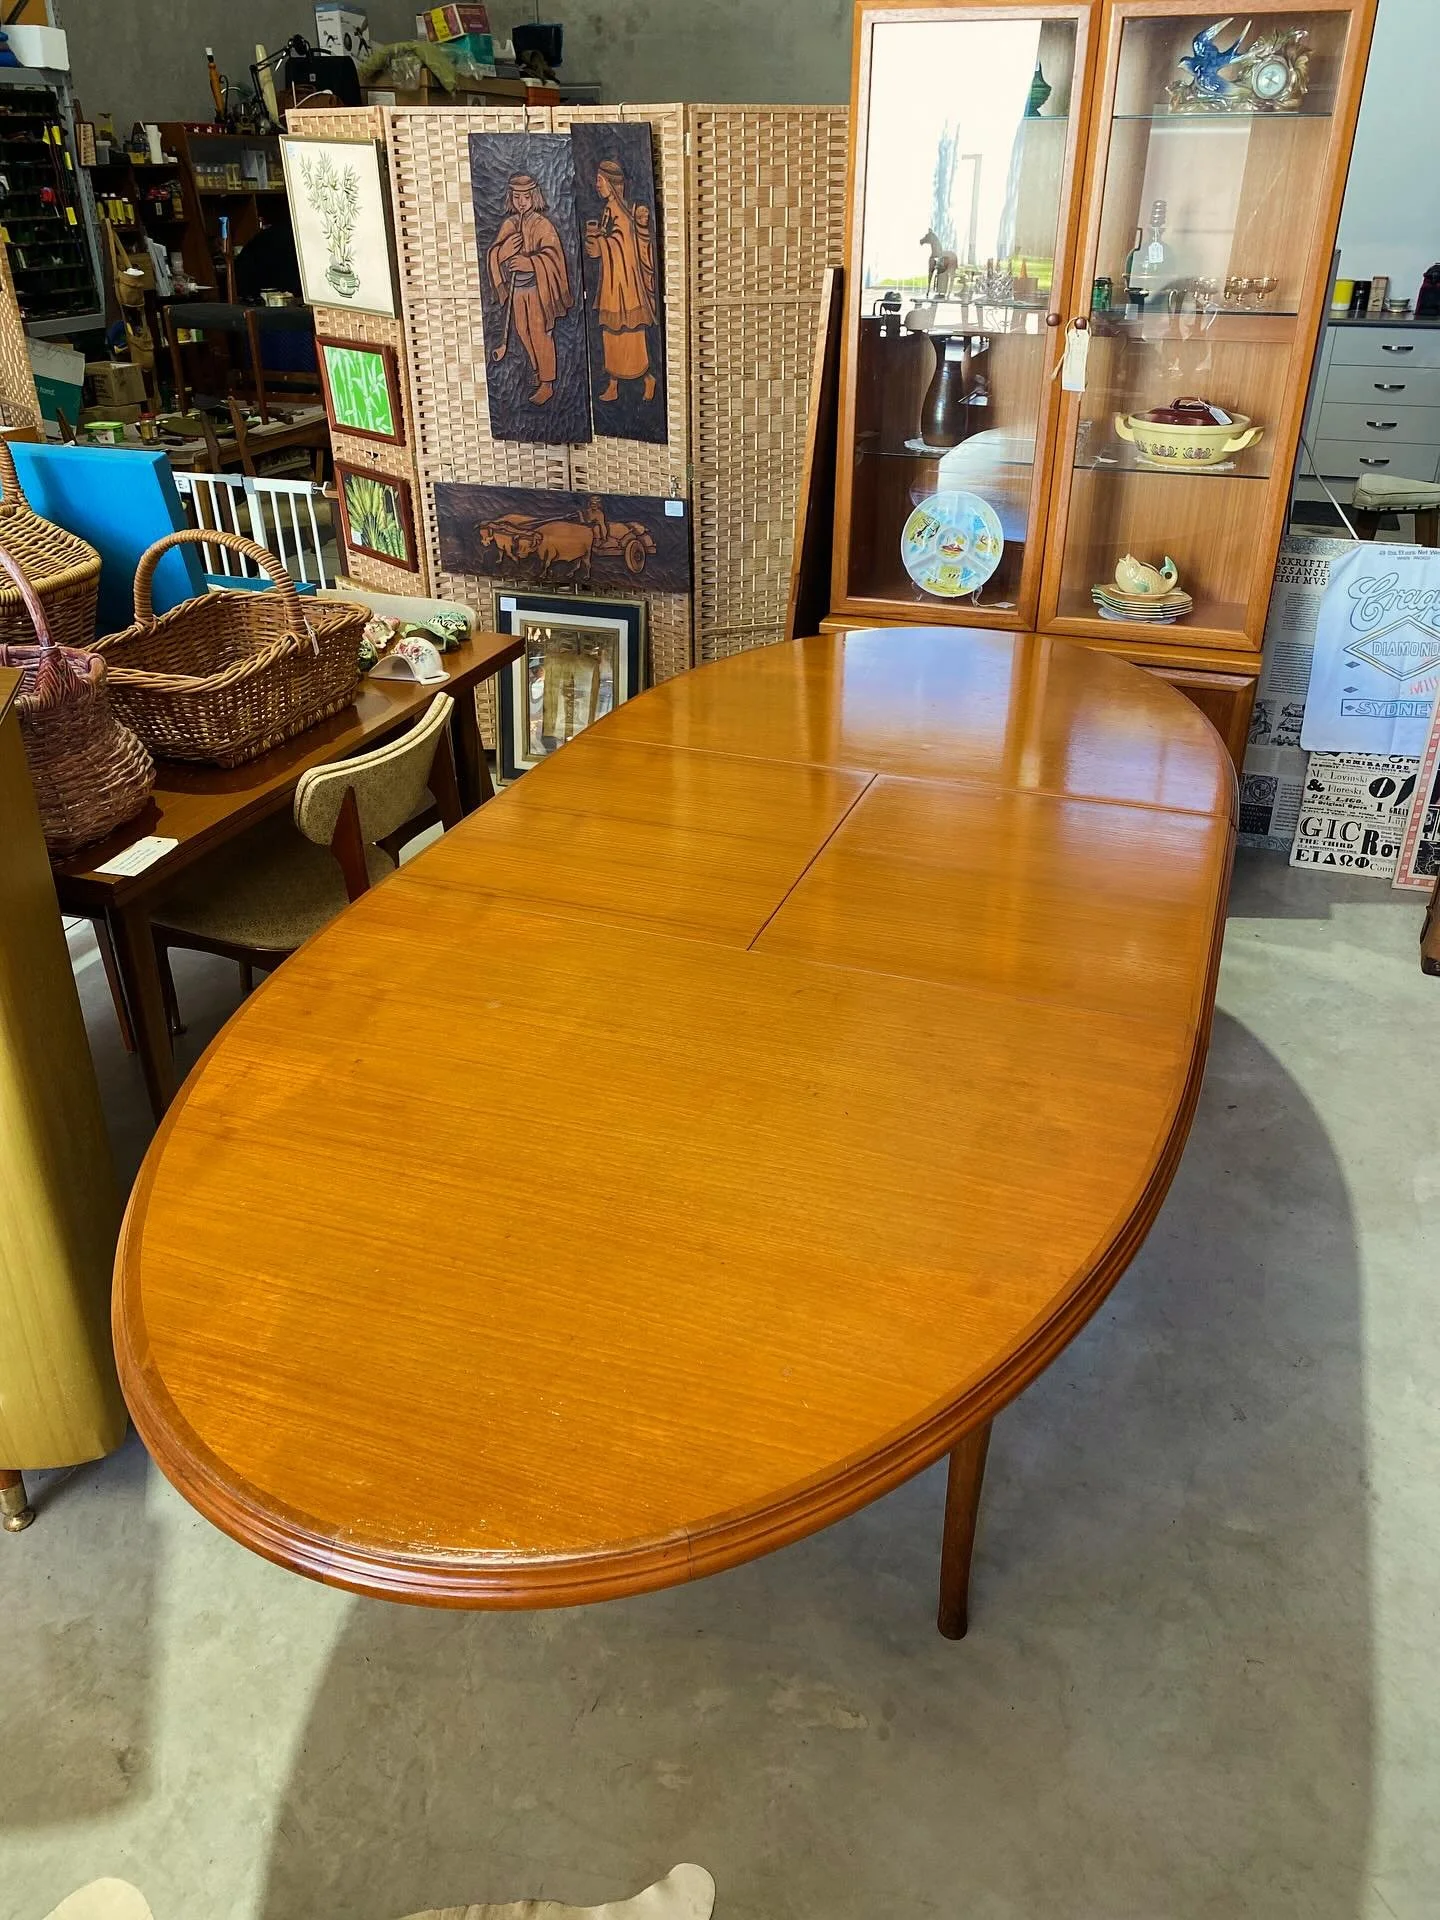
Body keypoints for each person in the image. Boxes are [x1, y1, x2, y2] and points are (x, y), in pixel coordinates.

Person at [486, 172, 573, 406]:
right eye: (516, 197)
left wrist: (531, 263)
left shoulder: (543, 225)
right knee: (522, 330)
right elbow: (494, 253)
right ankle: (536, 369)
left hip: (537, 289)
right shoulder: (510, 224)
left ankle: (547, 383)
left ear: (534, 196)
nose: (521, 201)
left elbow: (554, 256)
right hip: (517, 290)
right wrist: (503, 253)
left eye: (526, 196)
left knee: (539, 331)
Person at [583, 158, 658, 404]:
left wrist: (602, 247)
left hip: (625, 286)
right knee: (611, 334)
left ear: (612, 184)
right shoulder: (608, 209)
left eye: (600, 180)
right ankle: (614, 383)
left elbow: (623, 246)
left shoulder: (622, 212)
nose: (597, 185)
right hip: (612, 282)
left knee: (630, 333)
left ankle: (648, 379)